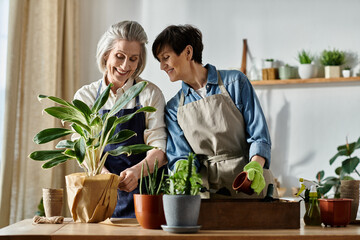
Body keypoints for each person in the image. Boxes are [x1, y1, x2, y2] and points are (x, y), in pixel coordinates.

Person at [152, 24, 278, 198]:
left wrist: (256, 165)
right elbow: (181, 155)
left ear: (188, 52)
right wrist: (185, 174)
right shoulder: (174, 108)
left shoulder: (235, 83)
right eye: (160, 60)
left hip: (248, 182)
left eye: (166, 57)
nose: (162, 66)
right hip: (208, 192)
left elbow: (259, 134)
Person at [74, 21, 167, 217]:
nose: (126, 66)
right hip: (100, 195)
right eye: (119, 56)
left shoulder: (150, 94)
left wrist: (137, 172)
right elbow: (80, 148)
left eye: (133, 59)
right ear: (106, 54)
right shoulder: (86, 97)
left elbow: (160, 150)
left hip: (145, 197)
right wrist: (105, 178)